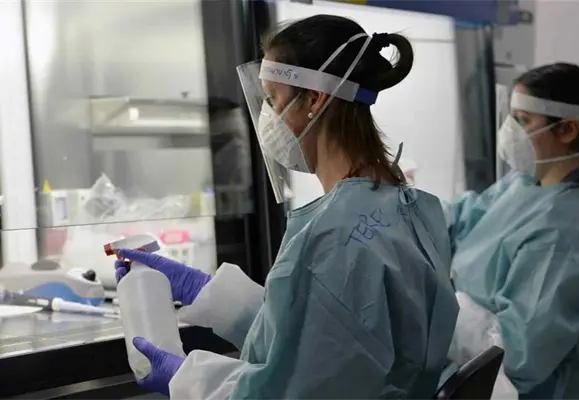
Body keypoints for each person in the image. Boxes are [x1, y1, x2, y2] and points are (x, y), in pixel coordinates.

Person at [115, 15, 458, 400]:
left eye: (272, 98)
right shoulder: (407, 206)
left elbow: (290, 388)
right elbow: (326, 338)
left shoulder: (330, 239)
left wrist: (188, 380)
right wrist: (208, 293)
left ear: (314, 99)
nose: (267, 116)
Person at [447, 63, 579, 399]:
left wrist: (443, 311)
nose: (510, 131)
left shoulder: (566, 230)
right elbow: (463, 217)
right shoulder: (525, 184)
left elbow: (518, 355)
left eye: (523, 121)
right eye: (511, 118)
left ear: (568, 129)